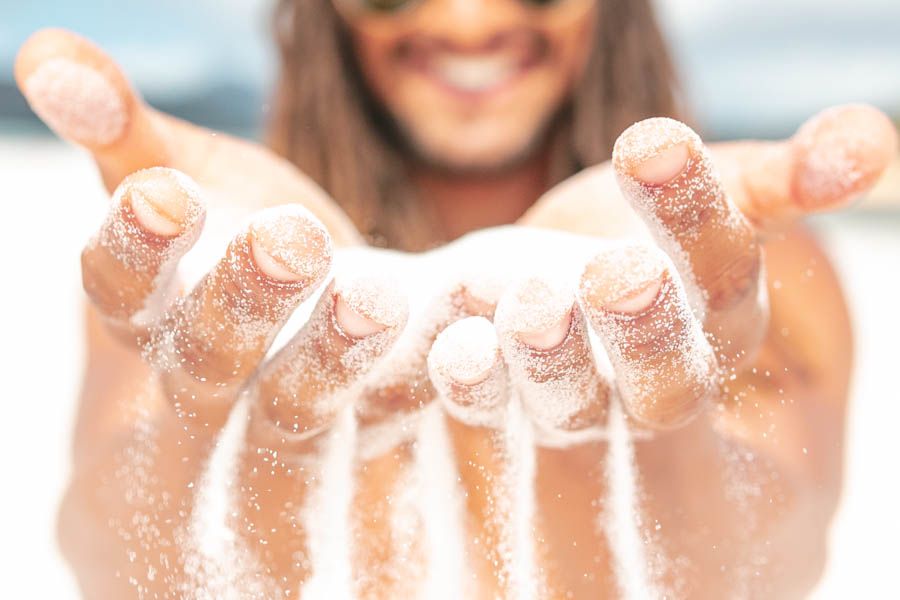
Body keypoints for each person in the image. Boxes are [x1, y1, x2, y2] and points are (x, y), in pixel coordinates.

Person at [14, 0, 897, 597]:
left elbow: (769, 559)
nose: (470, 17)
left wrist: (618, 450)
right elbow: (113, 556)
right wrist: (263, 448)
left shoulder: (744, 264)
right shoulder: (212, 265)